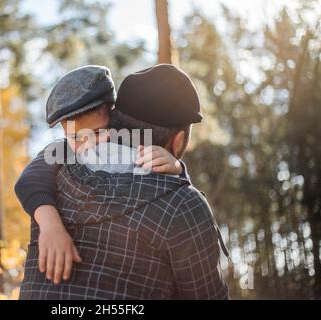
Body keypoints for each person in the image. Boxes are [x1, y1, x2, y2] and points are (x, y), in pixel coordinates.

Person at [16, 64, 229, 299]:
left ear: (114, 119)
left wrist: (177, 170)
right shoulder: (182, 205)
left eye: (97, 132)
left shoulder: (60, 172)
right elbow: (28, 179)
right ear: (178, 142)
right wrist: (50, 224)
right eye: (75, 137)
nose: (85, 143)